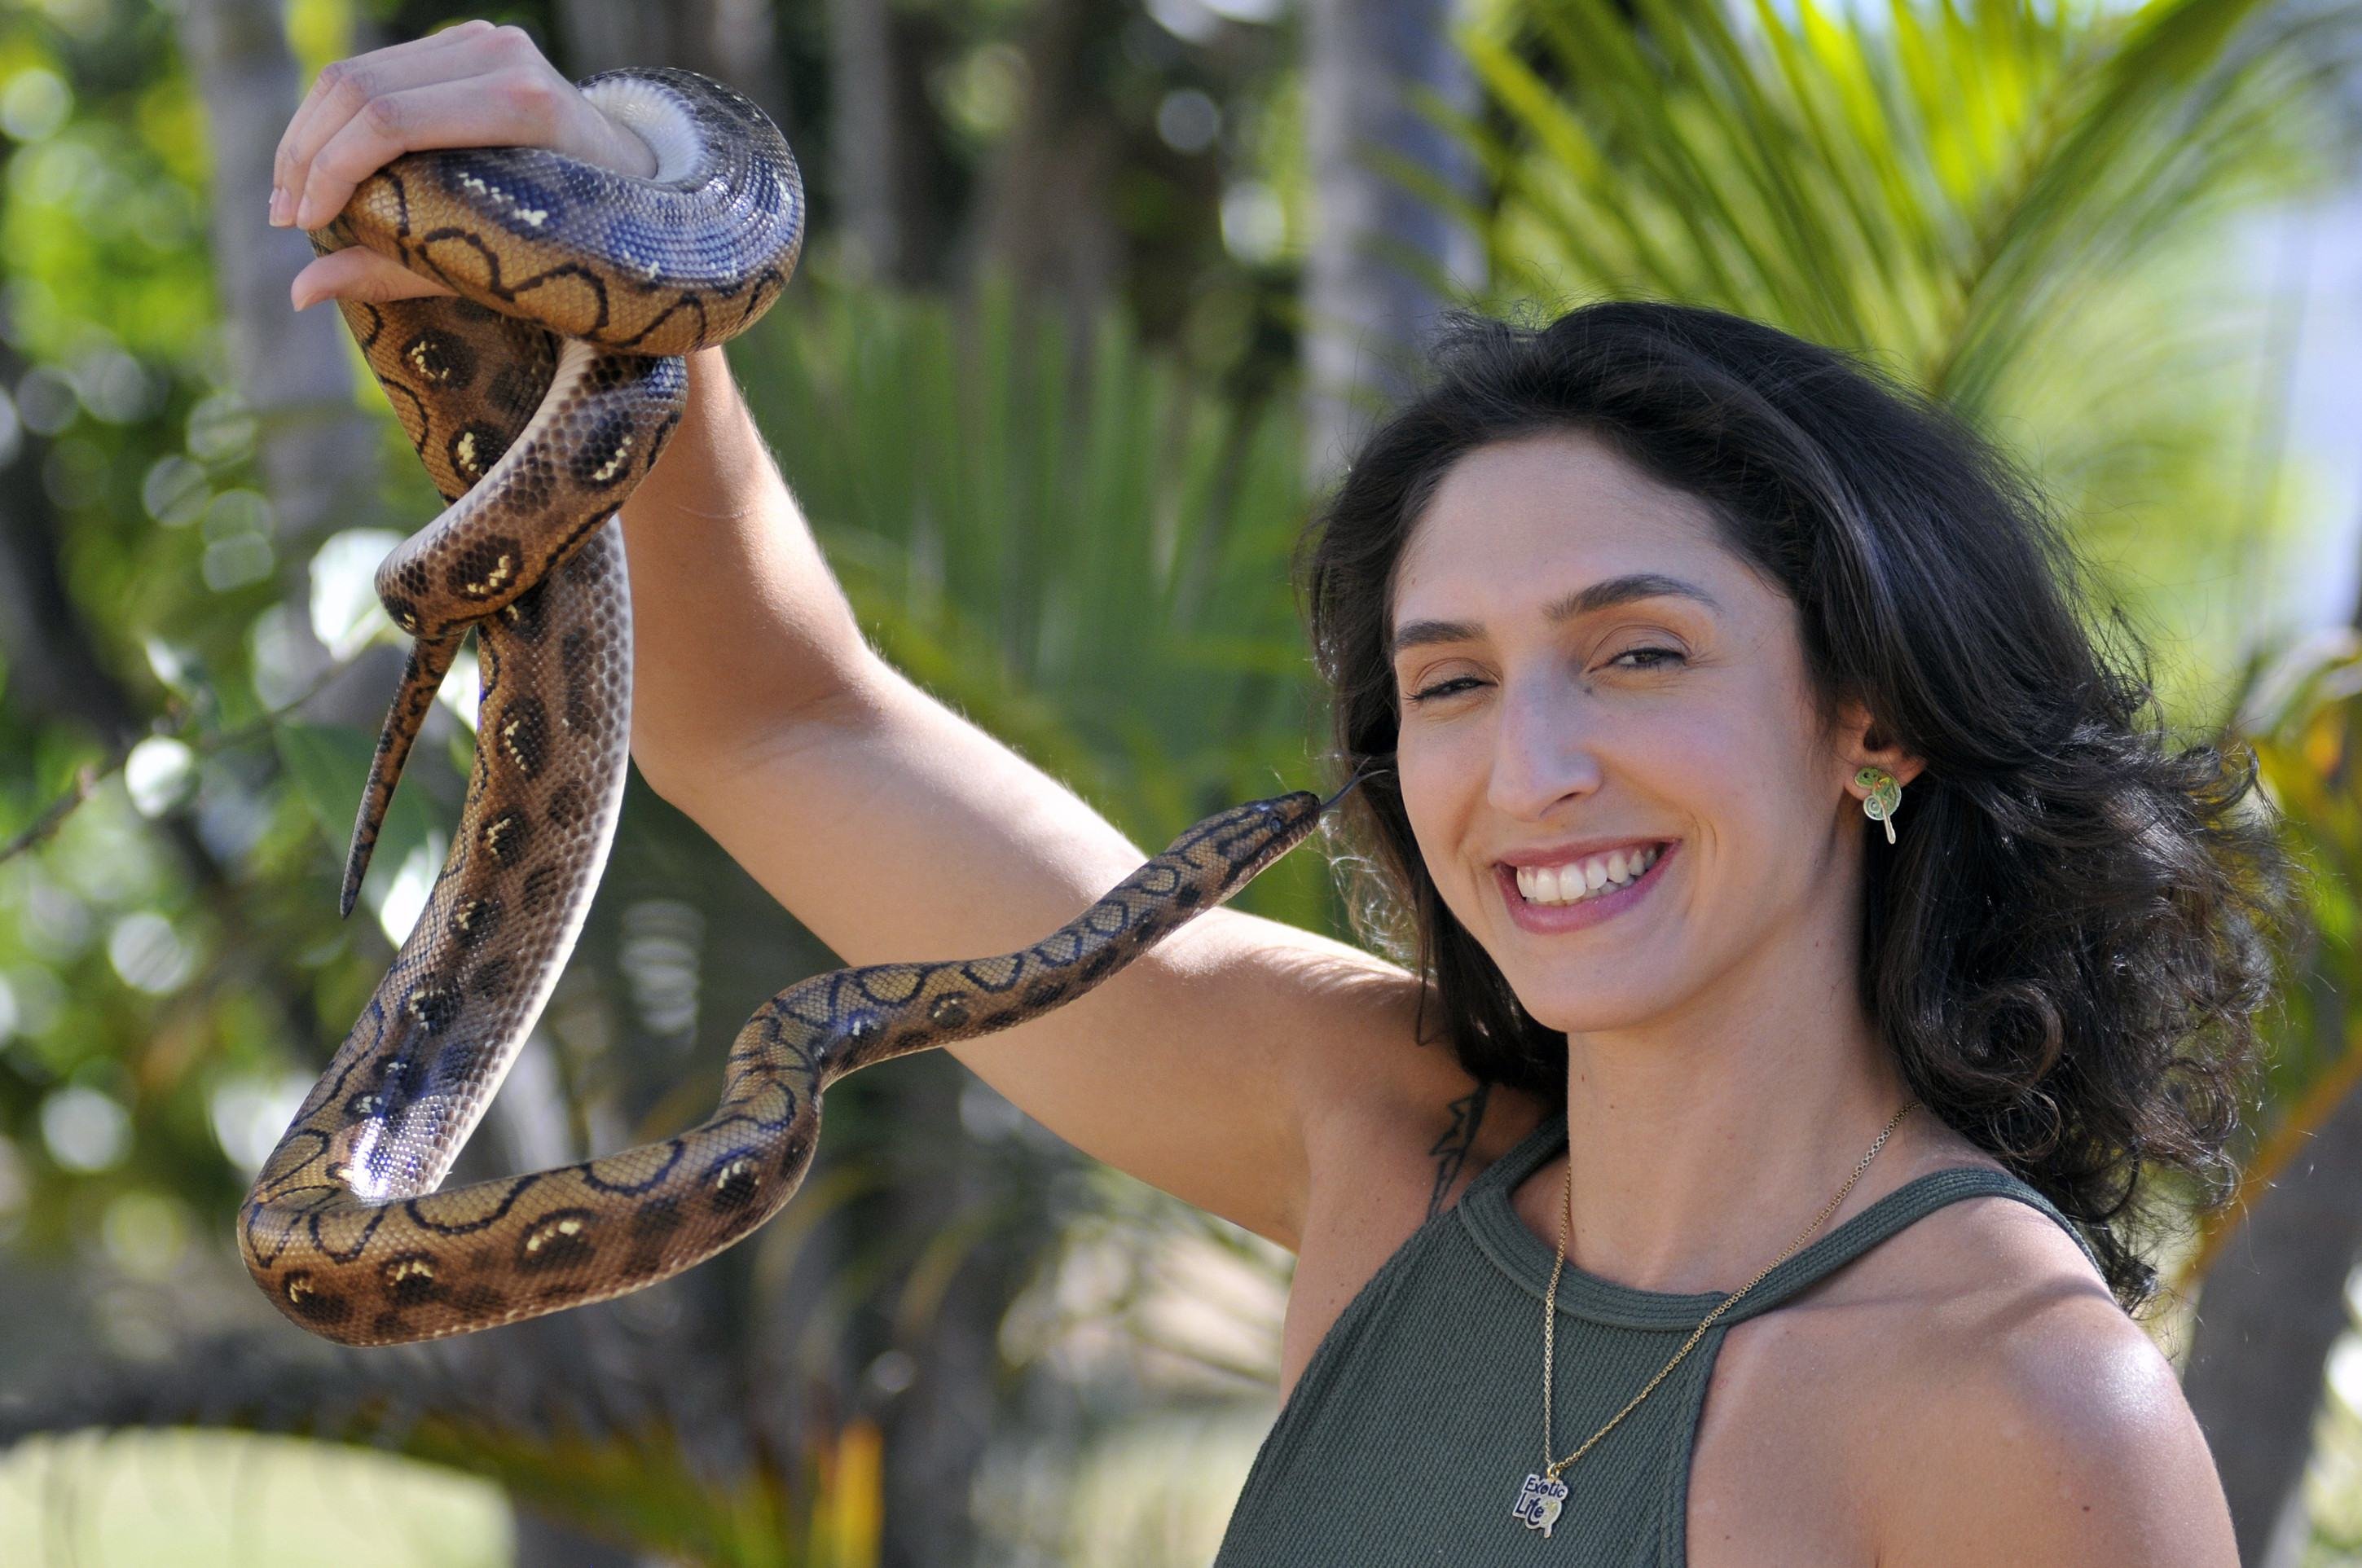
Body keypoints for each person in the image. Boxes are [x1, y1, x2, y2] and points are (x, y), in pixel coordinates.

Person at [271, 21, 2292, 1563]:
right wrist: (617, 195)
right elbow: (785, 725)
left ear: (1873, 718)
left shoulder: (2032, 1416)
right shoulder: (1379, 1141)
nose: (1530, 771)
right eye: (1450, 684)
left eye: (1637, 654)